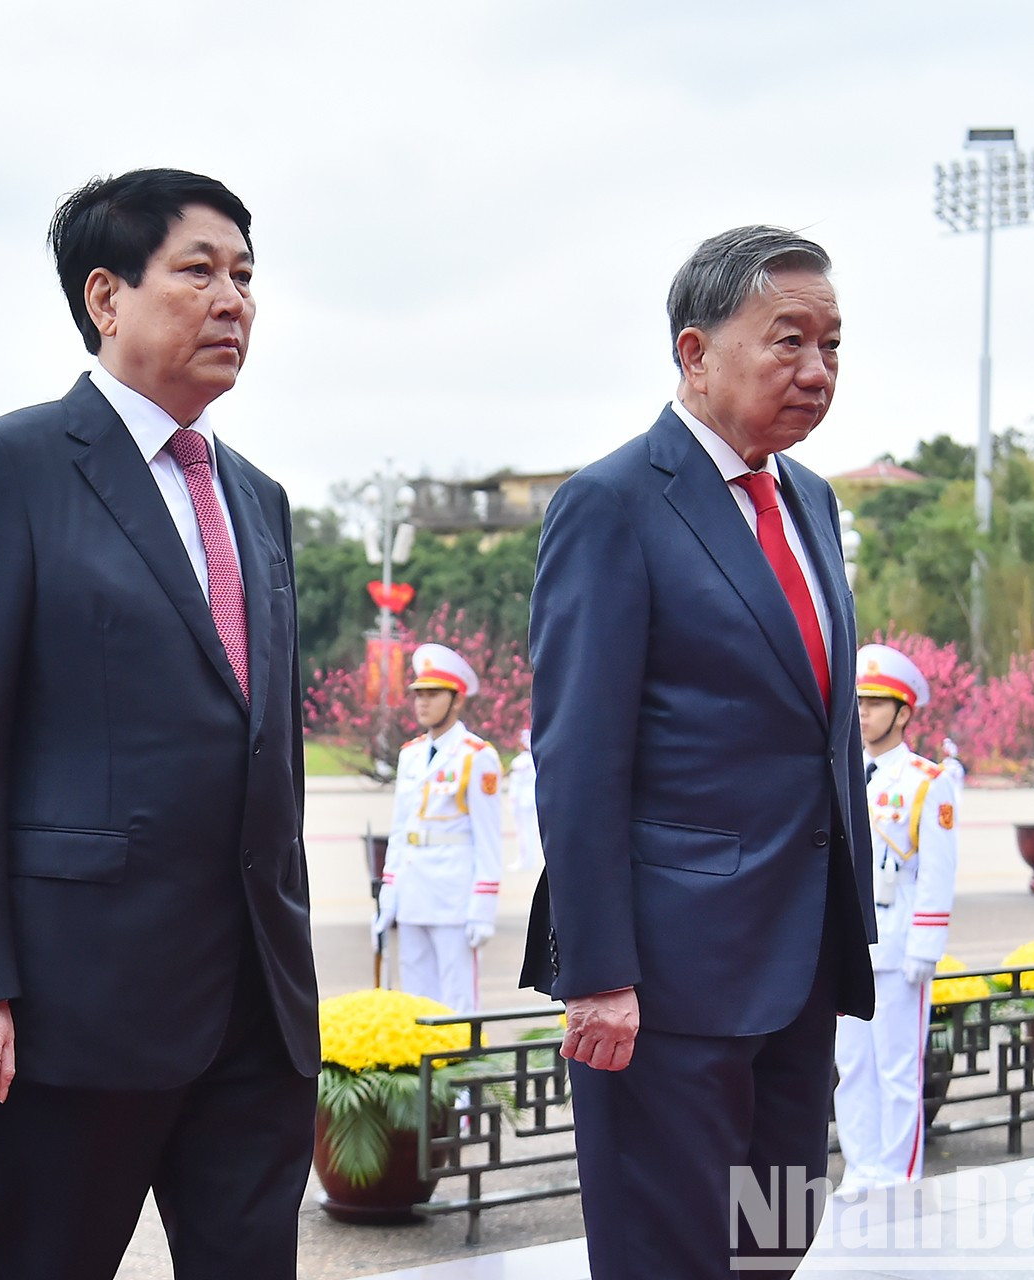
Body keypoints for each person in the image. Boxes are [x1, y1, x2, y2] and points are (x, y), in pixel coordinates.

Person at [0, 168, 318, 1279]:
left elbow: (266, 746)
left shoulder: (258, 497)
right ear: (105, 296)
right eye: (198, 270)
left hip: (253, 1004)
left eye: (245, 275)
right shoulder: (11, 468)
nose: (233, 299)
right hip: (71, 1004)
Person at [520, 226, 876, 1277]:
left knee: (775, 1235)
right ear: (694, 352)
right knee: (671, 1250)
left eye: (833, 345)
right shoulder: (613, 504)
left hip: (800, 965)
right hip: (666, 990)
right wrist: (598, 973)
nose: (816, 371)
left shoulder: (808, 499)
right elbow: (577, 756)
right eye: (788, 341)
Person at [834, 644, 957, 1194]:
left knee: (898, 1070)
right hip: (847, 947)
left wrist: (925, 949)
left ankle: (899, 1174)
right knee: (853, 1066)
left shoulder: (926, 781)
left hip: (900, 943)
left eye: (875, 703)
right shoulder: (839, 770)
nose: (861, 712)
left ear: (904, 712)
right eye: (857, 701)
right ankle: (860, 1166)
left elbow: (937, 871)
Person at [372, 644, 503, 1013]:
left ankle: (460, 1067)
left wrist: (484, 905)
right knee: (415, 996)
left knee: (456, 999)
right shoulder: (410, 754)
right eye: (419, 695)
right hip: (413, 889)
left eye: (433, 695)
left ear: (457, 700)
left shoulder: (477, 757)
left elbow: (489, 838)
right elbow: (401, 829)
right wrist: (389, 889)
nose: (422, 703)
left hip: (453, 895)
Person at [508, 727, 542, 871]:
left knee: (523, 832)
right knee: (535, 831)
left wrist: (512, 801)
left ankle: (525, 861)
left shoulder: (519, 762)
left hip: (522, 800)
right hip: (534, 799)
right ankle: (533, 860)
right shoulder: (536, 759)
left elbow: (516, 784)